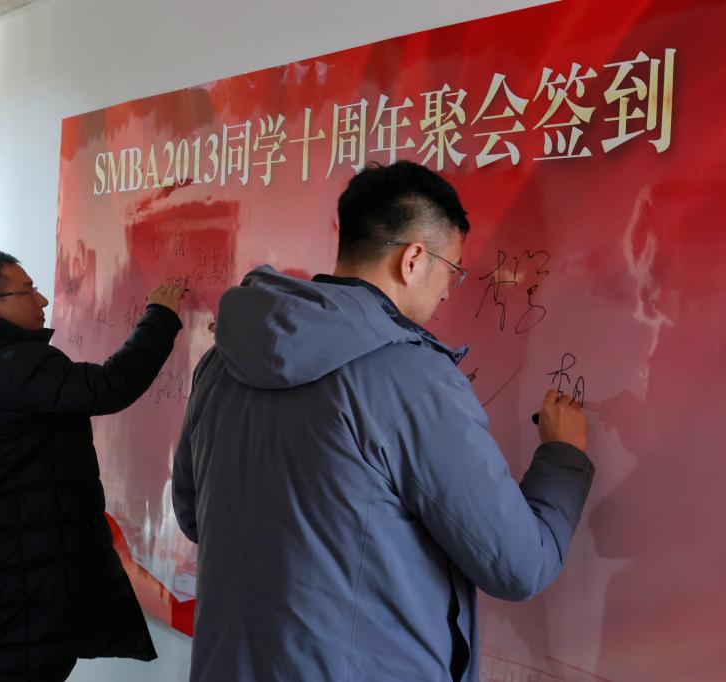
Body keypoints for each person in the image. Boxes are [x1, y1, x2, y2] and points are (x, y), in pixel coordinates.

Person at [173, 161, 595, 681]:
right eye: (452, 269)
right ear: (413, 259)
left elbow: (193, 515)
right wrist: (563, 457)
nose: (449, 290)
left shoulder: (219, 362)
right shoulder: (413, 380)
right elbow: (518, 564)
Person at [0, 249, 186, 682]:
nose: (41, 300)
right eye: (26, 291)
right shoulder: (13, 363)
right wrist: (161, 317)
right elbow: (108, 387)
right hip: (11, 581)